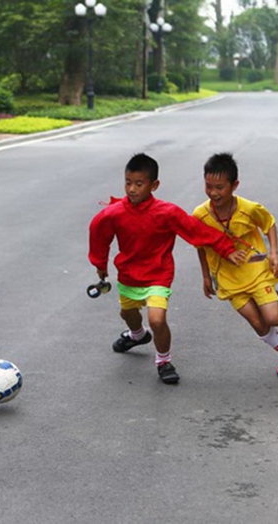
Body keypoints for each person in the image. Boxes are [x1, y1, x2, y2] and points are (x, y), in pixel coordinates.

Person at [88, 153, 246, 384]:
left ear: (154, 185)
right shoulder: (114, 213)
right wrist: (100, 266)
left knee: (157, 319)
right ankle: (137, 335)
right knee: (128, 314)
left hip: (158, 276)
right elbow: (98, 234)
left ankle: (163, 361)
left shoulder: (167, 212)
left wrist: (227, 248)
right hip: (128, 276)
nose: (132, 189)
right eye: (128, 182)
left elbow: (196, 231)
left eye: (139, 184)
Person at [193, 152, 278, 377]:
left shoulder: (249, 208)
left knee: (273, 318)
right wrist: (205, 277)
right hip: (228, 281)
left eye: (220, 187)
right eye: (208, 186)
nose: (213, 193)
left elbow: (269, 224)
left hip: (257, 273)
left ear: (235, 185)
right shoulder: (200, 215)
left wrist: (274, 254)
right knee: (258, 324)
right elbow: (200, 246)